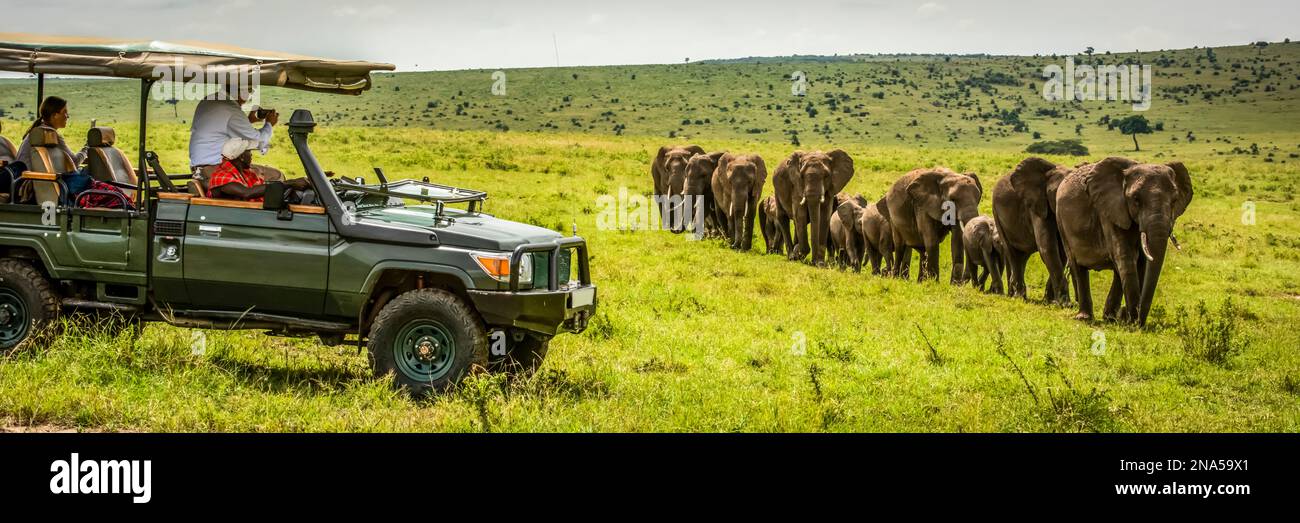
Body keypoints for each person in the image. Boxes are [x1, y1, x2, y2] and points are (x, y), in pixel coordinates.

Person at [188, 82, 284, 184]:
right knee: (277, 176)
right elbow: (259, 140)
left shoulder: (209, 100)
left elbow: (222, 127)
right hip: (216, 169)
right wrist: (269, 123)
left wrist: (248, 121)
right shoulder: (231, 109)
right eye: (249, 91)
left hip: (199, 169)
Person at [208, 138, 309, 201]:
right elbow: (247, 193)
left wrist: (293, 184)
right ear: (242, 156)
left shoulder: (246, 173)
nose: (251, 155)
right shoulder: (221, 176)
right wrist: (288, 183)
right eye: (249, 152)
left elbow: (262, 188)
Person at [16, 96, 88, 172]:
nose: (68, 116)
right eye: (65, 112)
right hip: (30, 181)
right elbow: (75, 161)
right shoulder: (50, 134)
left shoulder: (38, 131)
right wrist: (86, 148)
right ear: (54, 115)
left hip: (25, 179)